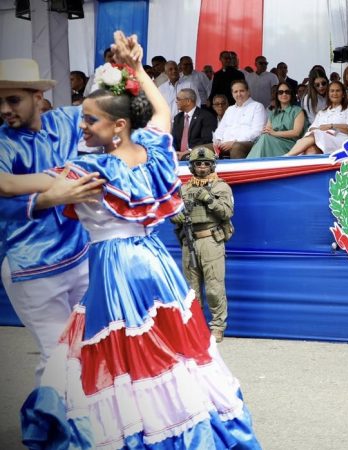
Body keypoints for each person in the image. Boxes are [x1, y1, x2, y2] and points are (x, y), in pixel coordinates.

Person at [11, 31, 261, 449]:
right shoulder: (152, 149)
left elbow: (15, 185)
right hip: (155, 262)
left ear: (119, 126)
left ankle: (139, 427)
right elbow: (161, 109)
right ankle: (181, 419)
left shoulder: (88, 172)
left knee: (123, 353)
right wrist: (137, 69)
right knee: (166, 351)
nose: (83, 126)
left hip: (117, 268)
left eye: (91, 120)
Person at [0, 59, 104, 385]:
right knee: (60, 357)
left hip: (78, 256)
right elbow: (3, 187)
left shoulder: (66, 120)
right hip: (33, 268)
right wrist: (53, 190)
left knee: (90, 347)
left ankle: (82, 426)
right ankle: (51, 430)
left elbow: (109, 114)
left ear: (39, 98)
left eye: (13, 99)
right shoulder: (4, 143)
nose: (4, 109)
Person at [171, 147, 234, 343]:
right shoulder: (184, 189)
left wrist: (208, 199)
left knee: (214, 288)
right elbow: (172, 210)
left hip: (210, 240)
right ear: (192, 167)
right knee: (192, 290)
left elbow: (227, 213)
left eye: (206, 164)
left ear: (212, 165)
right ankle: (195, 328)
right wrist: (176, 217)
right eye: (198, 164)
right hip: (189, 240)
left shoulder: (221, 187)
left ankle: (217, 327)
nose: (202, 167)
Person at [287, 80, 348, 155]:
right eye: (332, 91)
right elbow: (311, 128)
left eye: (338, 91)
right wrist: (320, 129)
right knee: (311, 150)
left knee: (316, 134)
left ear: (343, 94)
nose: (334, 93)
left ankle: (288, 156)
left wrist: (331, 126)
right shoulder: (322, 112)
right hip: (322, 140)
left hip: (340, 141)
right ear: (328, 94)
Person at [248, 82, 307, 158]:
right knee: (264, 137)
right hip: (272, 142)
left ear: (291, 94)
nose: (284, 94)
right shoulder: (273, 113)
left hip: (291, 146)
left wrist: (275, 133)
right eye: (280, 92)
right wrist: (269, 132)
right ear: (277, 95)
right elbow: (268, 131)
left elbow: (296, 133)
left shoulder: (298, 111)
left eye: (287, 92)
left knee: (265, 139)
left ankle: (252, 165)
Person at [213, 79, 267, 159]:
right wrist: (218, 141)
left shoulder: (257, 106)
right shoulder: (230, 109)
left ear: (248, 91)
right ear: (232, 94)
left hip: (247, 144)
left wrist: (234, 142)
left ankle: (237, 171)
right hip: (224, 144)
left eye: (242, 91)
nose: (239, 94)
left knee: (236, 147)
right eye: (235, 92)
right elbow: (220, 130)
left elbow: (257, 131)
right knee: (200, 149)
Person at [171, 88, 217, 160]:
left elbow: (206, 140)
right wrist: (174, 152)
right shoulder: (178, 118)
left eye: (178, 99)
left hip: (196, 155)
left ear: (188, 101)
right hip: (178, 155)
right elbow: (174, 140)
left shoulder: (206, 116)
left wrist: (188, 151)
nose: (176, 101)